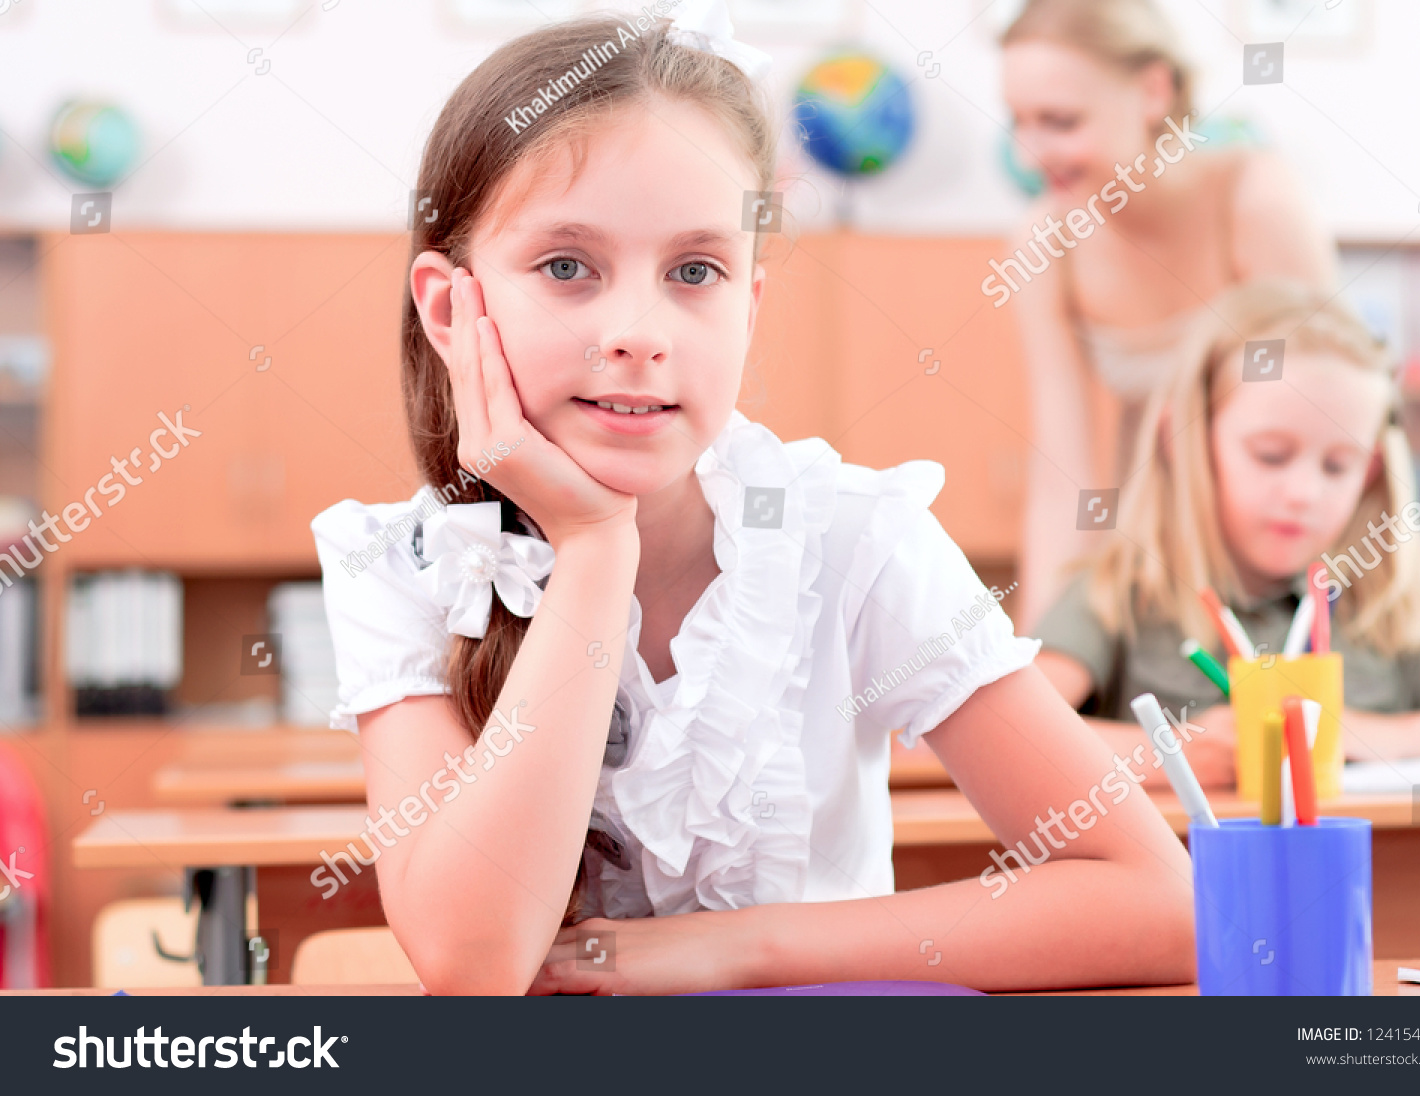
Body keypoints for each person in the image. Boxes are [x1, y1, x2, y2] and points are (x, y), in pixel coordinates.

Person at [309, 2, 1191, 995]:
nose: (641, 330)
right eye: (567, 266)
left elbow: (1161, 902)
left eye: (696, 270)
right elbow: (475, 968)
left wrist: (743, 947)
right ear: (449, 306)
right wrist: (596, 550)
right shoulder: (404, 567)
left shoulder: (852, 536)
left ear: (750, 307)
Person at [1032, 280, 1420, 789]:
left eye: (1338, 466)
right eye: (1270, 455)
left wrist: (1383, 738)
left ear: (1370, 473)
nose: (1303, 493)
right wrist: (1163, 753)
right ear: (1183, 443)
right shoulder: (1117, 595)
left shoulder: (1382, 610)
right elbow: (1016, 734)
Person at [997, 0, 1338, 629]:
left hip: (1286, 550)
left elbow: (1335, 419)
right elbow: (1064, 481)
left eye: (1061, 120)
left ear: (1154, 90)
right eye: (1018, 122)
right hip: (1148, 556)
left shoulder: (1254, 199)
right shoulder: (1044, 244)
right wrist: (1038, 650)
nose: (1030, 152)